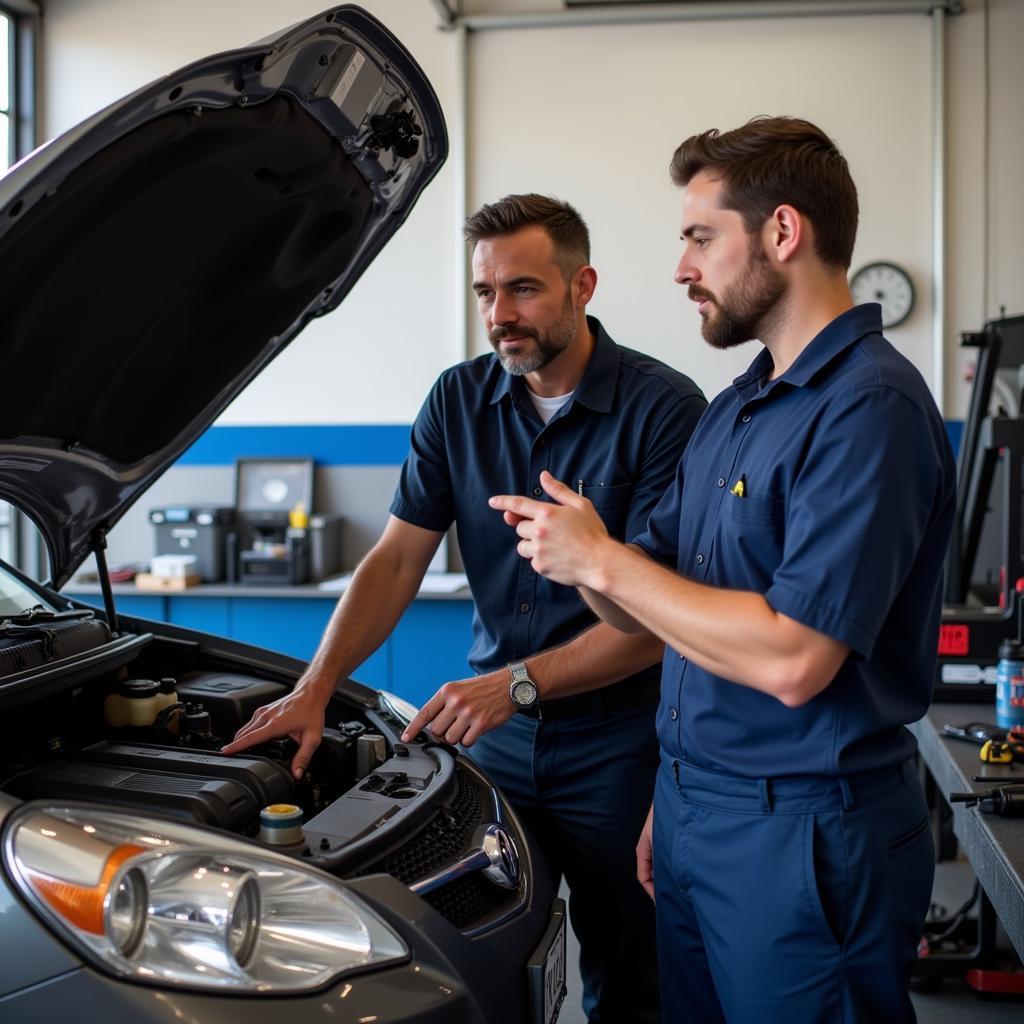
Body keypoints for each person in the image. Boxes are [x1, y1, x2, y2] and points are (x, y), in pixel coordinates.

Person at [486, 120, 956, 1023]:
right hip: (697, 808)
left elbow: (793, 660)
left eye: (700, 238)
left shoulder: (870, 409)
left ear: (783, 233)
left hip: (809, 831)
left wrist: (606, 559)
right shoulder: (739, 404)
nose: (680, 268)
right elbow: (640, 610)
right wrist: (579, 553)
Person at [225, 194, 707, 1023]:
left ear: (582, 285)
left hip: (621, 747)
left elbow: (658, 623)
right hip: (500, 743)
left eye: (522, 290)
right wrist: (315, 685)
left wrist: (512, 684)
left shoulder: (665, 411)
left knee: (634, 975)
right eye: (485, 293)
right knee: (476, 959)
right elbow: (395, 559)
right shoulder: (456, 401)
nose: (499, 316)